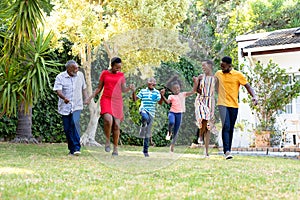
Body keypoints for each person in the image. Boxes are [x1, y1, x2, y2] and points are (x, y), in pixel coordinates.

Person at [85, 57, 134, 156]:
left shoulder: (121, 75)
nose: (118, 70)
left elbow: (123, 89)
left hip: (117, 101)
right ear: (112, 65)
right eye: (116, 67)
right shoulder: (104, 73)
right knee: (108, 120)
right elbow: (99, 88)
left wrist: (129, 88)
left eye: (119, 68)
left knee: (116, 125)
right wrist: (90, 98)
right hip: (106, 99)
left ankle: (115, 148)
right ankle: (107, 140)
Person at [215, 56, 258, 159]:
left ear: (229, 65)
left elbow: (248, 86)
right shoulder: (218, 74)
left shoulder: (238, 75)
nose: (222, 68)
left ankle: (228, 150)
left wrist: (254, 96)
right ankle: (227, 151)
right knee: (226, 125)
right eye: (221, 66)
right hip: (222, 104)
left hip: (234, 105)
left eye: (224, 66)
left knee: (230, 128)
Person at [53, 60, 88, 156]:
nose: (77, 70)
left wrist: (86, 98)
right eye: (75, 68)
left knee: (74, 124)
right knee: (67, 129)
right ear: (68, 68)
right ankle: (71, 149)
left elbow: (84, 88)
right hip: (65, 106)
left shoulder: (80, 75)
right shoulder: (60, 77)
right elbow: (58, 91)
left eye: (77, 68)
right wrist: (64, 98)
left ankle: (77, 148)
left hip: (77, 105)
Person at [160, 75, 197, 153]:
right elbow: (167, 102)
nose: (176, 90)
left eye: (177, 88)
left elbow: (193, 91)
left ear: (180, 87)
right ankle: (169, 132)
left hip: (179, 114)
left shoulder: (183, 94)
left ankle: (172, 146)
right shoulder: (171, 96)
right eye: (174, 89)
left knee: (176, 132)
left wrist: (195, 82)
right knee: (171, 122)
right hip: (172, 113)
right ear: (172, 90)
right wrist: (162, 95)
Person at [132, 77, 161, 157]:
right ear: (147, 83)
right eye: (150, 81)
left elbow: (160, 102)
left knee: (148, 132)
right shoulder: (143, 91)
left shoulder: (156, 92)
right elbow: (135, 99)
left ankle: (145, 151)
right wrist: (134, 91)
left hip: (152, 113)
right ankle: (142, 127)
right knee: (145, 118)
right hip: (143, 109)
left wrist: (162, 95)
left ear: (155, 84)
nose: (151, 83)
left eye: (153, 81)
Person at [194, 60, 216, 158]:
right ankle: (200, 135)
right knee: (203, 116)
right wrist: (195, 82)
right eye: (202, 66)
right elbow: (196, 90)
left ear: (210, 66)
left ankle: (206, 152)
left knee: (208, 126)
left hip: (210, 101)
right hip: (201, 100)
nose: (203, 67)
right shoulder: (200, 77)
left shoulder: (215, 78)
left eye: (204, 65)